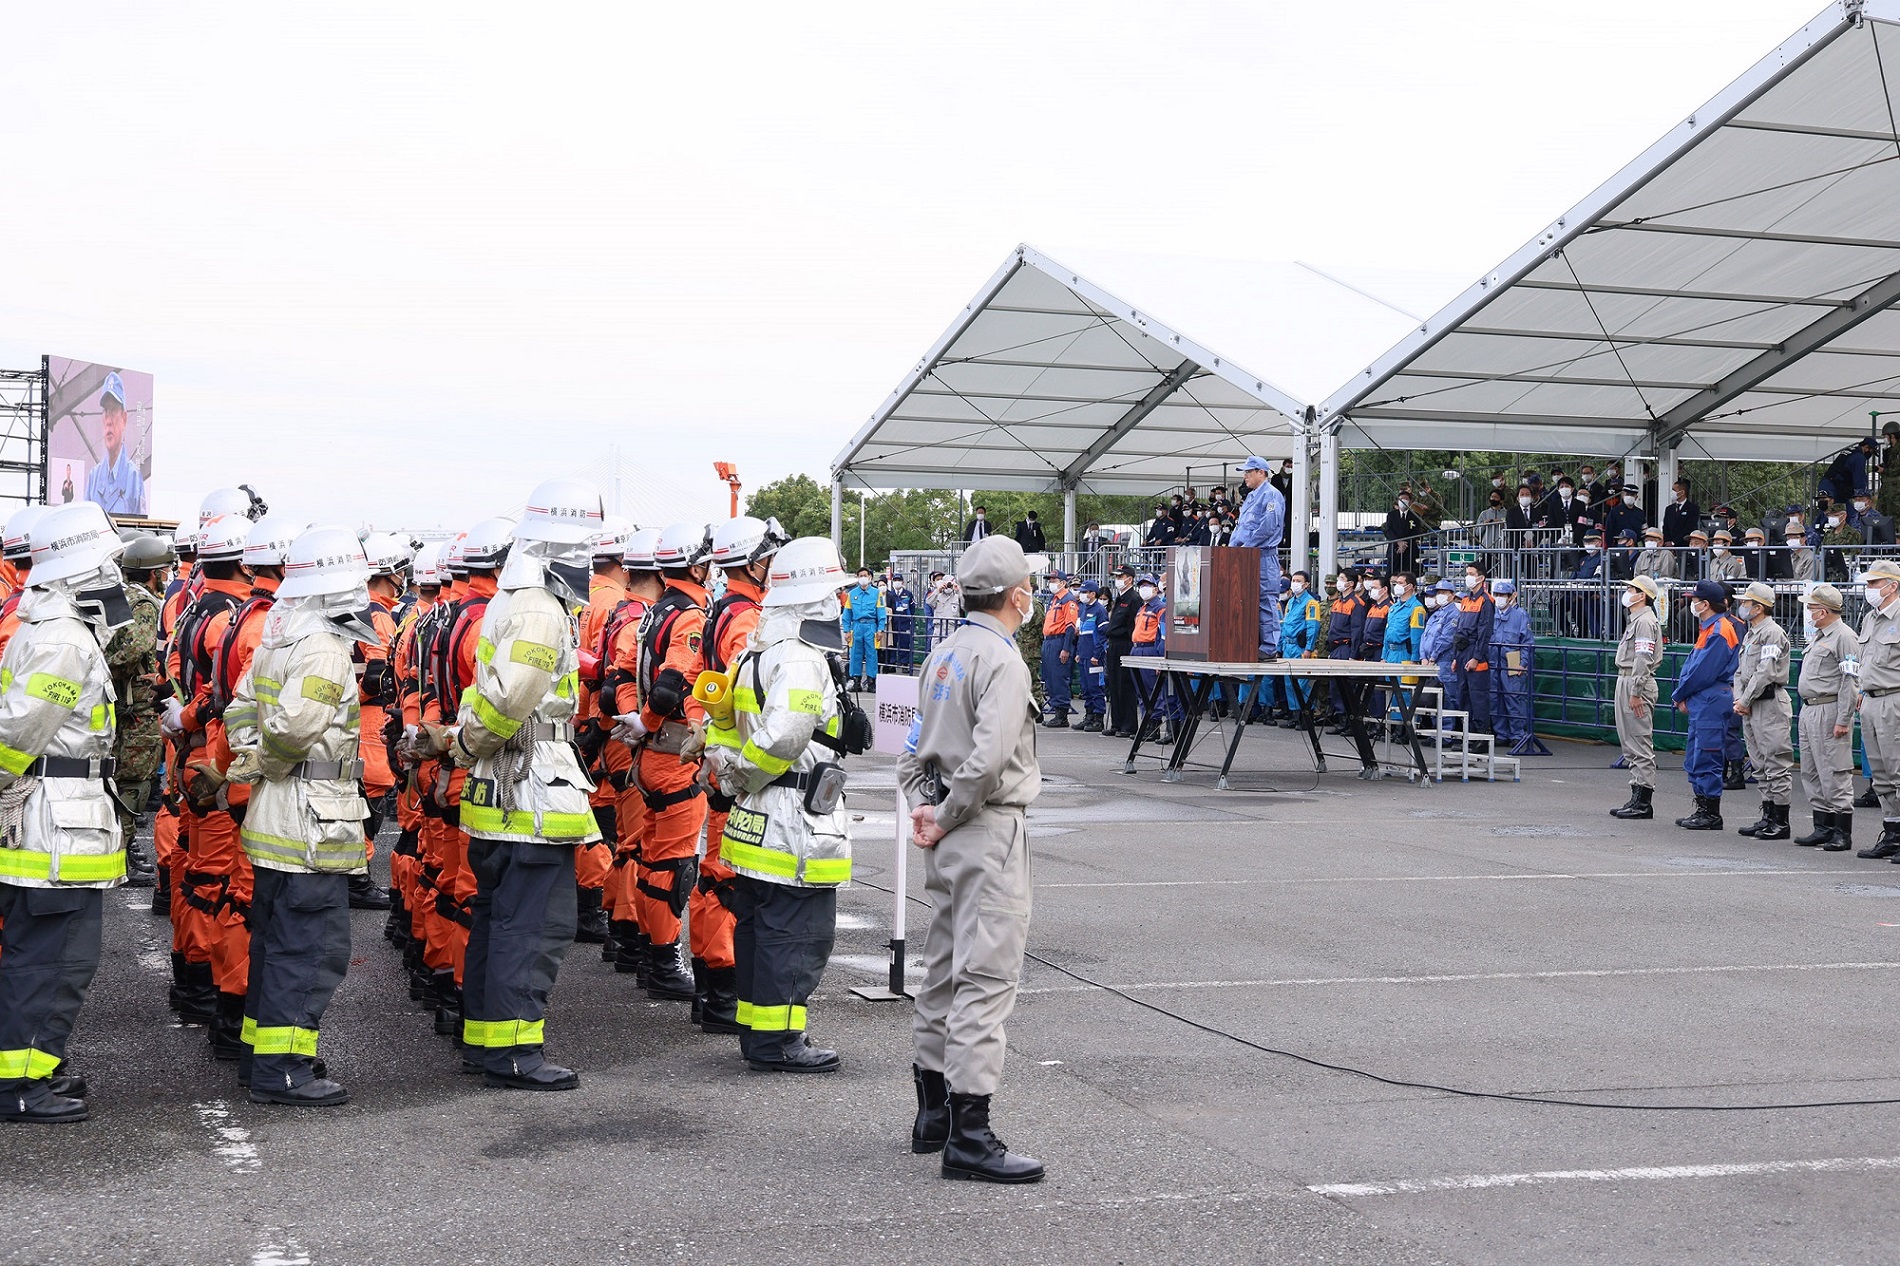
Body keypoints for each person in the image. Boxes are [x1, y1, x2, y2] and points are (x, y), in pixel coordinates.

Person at [437, 479, 604, 1090]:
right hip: (529, 785)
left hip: (503, 788)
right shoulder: (538, 606)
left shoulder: (516, 599)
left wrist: (466, 747)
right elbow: (510, 699)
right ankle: (513, 1051)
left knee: (499, 919)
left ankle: (487, 1043)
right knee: (532, 924)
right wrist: (467, 744)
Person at [898, 534, 1045, 1184]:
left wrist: (924, 810)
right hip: (986, 828)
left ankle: (933, 1117)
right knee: (986, 979)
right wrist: (953, 809)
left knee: (943, 970)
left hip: (946, 828)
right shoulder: (1004, 662)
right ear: (1018, 595)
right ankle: (971, 1135)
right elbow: (987, 760)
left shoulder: (943, 655)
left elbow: (910, 747)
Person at [221, 525, 375, 1106]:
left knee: (273, 941)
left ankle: (259, 1056)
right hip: (311, 817)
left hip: (275, 818)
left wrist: (248, 761)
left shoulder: (276, 639)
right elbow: (294, 728)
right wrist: (265, 763)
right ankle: (284, 1068)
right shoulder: (324, 647)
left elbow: (239, 710)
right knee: (309, 948)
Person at [700, 536, 855, 1073]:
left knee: (760, 932)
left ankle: (759, 1032)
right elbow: (785, 738)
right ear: (813, 598)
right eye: (832, 593)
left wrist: (731, 777)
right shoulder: (801, 660)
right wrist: (742, 774)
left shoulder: (753, 655)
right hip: (794, 820)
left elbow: (719, 727)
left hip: (757, 820)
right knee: (797, 937)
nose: (838, 605)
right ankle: (779, 1042)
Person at [0, 501, 131, 1123]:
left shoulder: (52, 628)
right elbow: (18, 735)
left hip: (58, 815)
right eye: (105, 560)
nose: (116, 574)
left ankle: (34, 1067)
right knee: (54, 959)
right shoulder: (63, 640)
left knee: (46, 954)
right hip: (56, 821)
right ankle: (19, 1083)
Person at [692, 514, 790, 1034]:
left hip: (720, 759)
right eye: (771, 557)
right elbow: (741, 692)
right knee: (727, 879)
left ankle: (712, 988)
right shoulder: (746, 620)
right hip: (738, 764)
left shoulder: (718, 609)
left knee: (713, 876)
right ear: (754, 562)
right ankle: (721, 991)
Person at [620, 521, 715, 1004]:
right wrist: (652, 715)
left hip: (648, 753)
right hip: (674, 750)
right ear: (695, 565)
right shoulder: (689, 616)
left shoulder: (651, 613)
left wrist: (635, 718)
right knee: (674, 866)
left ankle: (647, 949)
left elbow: (621, 676)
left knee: (650, 856)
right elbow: (671, 684)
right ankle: (662, 958)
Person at [573, 520, 635, 950]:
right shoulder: (615, 603)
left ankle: (590, 906)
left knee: (591, 818)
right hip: (608, 722)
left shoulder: (582, 596)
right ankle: (597, 909)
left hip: (584, 718)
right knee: (611, 825)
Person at [105, 534, 174, 887]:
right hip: (138, 709)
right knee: (134, 784)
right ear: (153, 573)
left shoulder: (121, 595)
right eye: (164, 569)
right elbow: (136, 648)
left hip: (122, 707)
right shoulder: (146, 604)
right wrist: (124, 676)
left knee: (121, 779)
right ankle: (121, 856)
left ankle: (119, 851)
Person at [1794, 583, 1860, 851]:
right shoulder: (1821, 636)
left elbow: (1850, 679)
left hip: (1829, 707)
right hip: (1810, 708)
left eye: (1811, 607)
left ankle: (1841, 831)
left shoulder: (1843, 636)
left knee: (1834, 769)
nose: (1808, 612)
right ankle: (1822, 826)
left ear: (1822, 611)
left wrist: (1843, 719)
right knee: (1811, 769)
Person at [1670, 580, 1741, 830]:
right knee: (1696, 754)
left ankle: (1710, 812)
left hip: (1710, 697)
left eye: (1694, 599)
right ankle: (1703, 807)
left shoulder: (1719, 630)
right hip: (1705, 697)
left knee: (1707, 754)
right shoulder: (1711, 628)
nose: (1692, 604)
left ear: (1705, 604)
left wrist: (1680, 694)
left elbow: (1703, 671)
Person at [1729, 582, 1794, 840]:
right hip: (1751, 703)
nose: (1742, 606)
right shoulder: (1750, 632)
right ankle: (1767, 815)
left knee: (1775, 762)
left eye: (1746, 603)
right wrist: (1740, 699)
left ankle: (1781, 820)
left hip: (1769, 702)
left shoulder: (1772, 633)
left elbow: (1765, 671)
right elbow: (1739, 671)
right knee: (1758, 763)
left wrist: (1744, 700)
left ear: (1759, 607)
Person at [1609, 576, 1663, 819]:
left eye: (1631, 589)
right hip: (1627, 678)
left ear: (1642, 595)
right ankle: (1636, 795)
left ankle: (1643, 801)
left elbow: (1642, 658)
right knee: (1629, 741)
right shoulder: (1636, 620)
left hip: (1635, 680)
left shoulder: (1644, 622)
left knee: (1639, 742)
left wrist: (1636, 691)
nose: (1627, 592)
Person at [1857, 559, 1900, 860]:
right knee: (1881, 776)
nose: (1869, 589)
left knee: (1898, 772)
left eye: (1874, 583)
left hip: (1894, 700)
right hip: (1870, 700)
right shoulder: (1870, 618)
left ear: (1892, 585)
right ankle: (1893, 833)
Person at [82, 372, 146, 515]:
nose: (109, 420)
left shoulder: (134, 477)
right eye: (106, 411)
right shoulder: (94, 477)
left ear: (124, 418)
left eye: (114, 410)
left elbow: (141, 528)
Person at [1447, 562, 1496, 737]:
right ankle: (1468, 734)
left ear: (1481, 578)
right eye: (1467, 573)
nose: (1468, 576)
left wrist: (1476, 657)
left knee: (1478, 697)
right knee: (1463, 695)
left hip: (1475, 651)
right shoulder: (1466, 600)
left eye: (1471, 573)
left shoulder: (1486, 601)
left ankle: (1481, 735)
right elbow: (1459, 629)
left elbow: (1485, 632)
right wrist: (1455, 657)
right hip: (1462, 652)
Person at [1489, 579, 1534, 748]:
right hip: (1493, 661)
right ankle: (1501, 733)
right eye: (1497, 594)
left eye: (1503, 595)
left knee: (1513, 698)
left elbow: (1527, 642)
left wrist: (1523, 663)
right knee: (1495, 698)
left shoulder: (1520, 615)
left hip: (1512, 661)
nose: (1499, 598)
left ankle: (1517, 734)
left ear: (1511, 596)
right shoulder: (1491, 614)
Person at [1274, 572, 1324, 725]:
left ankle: (1305, 716)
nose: (1295, 583)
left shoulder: (1311, 603)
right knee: (1289, 682)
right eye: (1293, 580)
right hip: (1288, 646)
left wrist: (1308, 648)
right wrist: (1280, 647)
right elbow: (1284, 626)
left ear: (1306, 584)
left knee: (1302, 683)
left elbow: (1313, 627)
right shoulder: (1290, 602)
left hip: (1300, 647)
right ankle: (1295, 715)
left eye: (1298, 581)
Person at [1101, 565, 1142, 739]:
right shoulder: (1120, 597)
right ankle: (1117, 722)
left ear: (1130, 579)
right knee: (1114, 684)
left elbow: (1132, 625)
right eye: (1117, 576)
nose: (1118, 579)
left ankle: (1128, 725)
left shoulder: (1133, 598)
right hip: (1114, 644)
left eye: (1121, 576)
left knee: (1125, 684)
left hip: (1125, 643)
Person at [1323, 568, 1365, 729]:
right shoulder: (1337, 602)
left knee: (1346, 686)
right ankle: (1340, 717)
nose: (1338, 582)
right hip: (1335, 648)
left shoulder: (1356, 604)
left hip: (1346, 648)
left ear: (1350, 583)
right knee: (1335, 686)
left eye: (1341, 578)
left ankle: (1348, 720)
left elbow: (1357, 631)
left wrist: (1353, 655)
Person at [1038, 572, 1079, 728]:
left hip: (1059, 641)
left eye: (1054, 580)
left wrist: (1066, 648)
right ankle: (1057, 710)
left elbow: (1070, 627)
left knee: (1059, 677)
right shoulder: (1054, 600)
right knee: (1049, 678)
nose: (1051, 583)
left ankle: (1062, 714)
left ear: (1062, 583)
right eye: (1050, 580)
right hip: (1049, 641)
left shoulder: (1068, 601)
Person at [841, 567, 886, 691]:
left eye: (865, 575)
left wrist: (880, 629)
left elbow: (881, 613)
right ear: (857, 577)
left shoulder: (877, 593)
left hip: (871, 626)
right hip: (856, 627)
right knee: (855, 654)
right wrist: (846, 630)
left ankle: (872, 682)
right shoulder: (852, 594)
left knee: (872, 654)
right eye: (860, 575)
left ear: (870, 577)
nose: (863, 578)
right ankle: (856, 681)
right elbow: (847, 613)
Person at [1381, 493, 1426, 577]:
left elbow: (1417, 532)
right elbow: (1388, 530)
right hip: (1395, 549)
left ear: (1410, 502)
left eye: (1406, 499)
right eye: (1401, 499)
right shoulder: (1391, 515)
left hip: (1409, 550)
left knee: (1407, 576)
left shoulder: (1415, 516)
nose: (1403, 501)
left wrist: (1404, 543)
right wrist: (1398, 542)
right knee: (1391, 574)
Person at [887, 572, 916, 672]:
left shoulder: (908, 594)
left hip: (905, 622)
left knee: (905, 643)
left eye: (899, 580)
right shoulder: (890, 594)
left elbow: (912, 608)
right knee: (892, 643)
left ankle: (904, 664)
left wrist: (909, 618)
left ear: (902, 582)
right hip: (893, 623)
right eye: (895, 580)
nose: (897, 582)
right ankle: (892, 663)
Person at [1662, 480, 1700, 548]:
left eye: (1674, 490)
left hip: (1684, 545)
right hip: (1668, 546)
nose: (1672, 492)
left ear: (1682, 492)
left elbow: (1689, 528)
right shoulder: (1669, 509)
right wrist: (1667, 541)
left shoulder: (1693, 509)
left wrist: (1674, 542)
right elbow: (1666, 527)